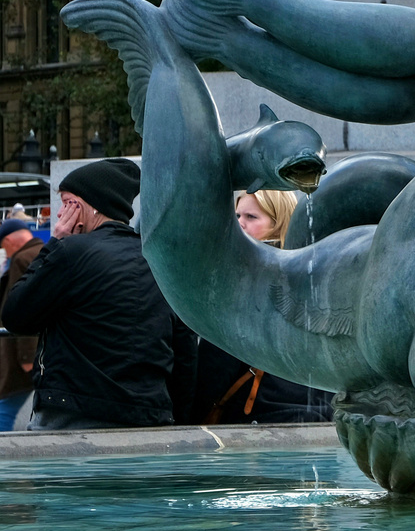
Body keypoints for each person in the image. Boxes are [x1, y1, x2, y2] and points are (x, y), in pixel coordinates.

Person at [2, 159, 196, 429]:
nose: (59, 214)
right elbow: (185, 352)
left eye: (67, 202)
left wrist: (54, 244)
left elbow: (15, 314)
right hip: (151, 417)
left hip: (73, 416)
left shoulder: (69, 253)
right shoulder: (160, 261)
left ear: (85, 207)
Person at [190, 191, 333, 424]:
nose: (239, 224)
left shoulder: (245, 284)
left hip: (259, 425)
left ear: (280, 223)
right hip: (317, 421)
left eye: (251, 217)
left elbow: (214, 369)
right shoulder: (314, 280)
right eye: (236, 215)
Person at [0, 218, 44, 429]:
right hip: (45, 347)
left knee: (4, 408)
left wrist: (26, 356)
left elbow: (23, 308)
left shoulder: (20, 259)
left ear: (8, 240)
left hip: (22, 352)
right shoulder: (45, 251)